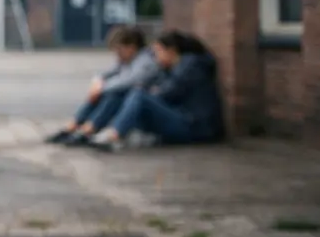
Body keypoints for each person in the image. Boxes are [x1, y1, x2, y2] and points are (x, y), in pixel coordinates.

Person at [88, 30, 224, 152]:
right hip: (185, 119)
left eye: (158, 52)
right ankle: (95, 129)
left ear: (171, 51)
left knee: (139, 95)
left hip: (196, 127)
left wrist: (152, 91)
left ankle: (114, 134)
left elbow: (168, 93)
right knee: (129, 95)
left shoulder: (189, 66)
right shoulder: (176, 66)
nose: (155, 57)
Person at [45, 25, 161, 145]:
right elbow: (106, 74)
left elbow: (130, 81)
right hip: (127, 103)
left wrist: (101, 88)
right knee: (105, 93)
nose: (117, 55)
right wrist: (97, 82)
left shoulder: (146, 62)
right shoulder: (127, 60)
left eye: (119, 50)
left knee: (112, 95)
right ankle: (75, 127)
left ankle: (87, 130)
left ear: (131, 47)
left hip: (140, 107)